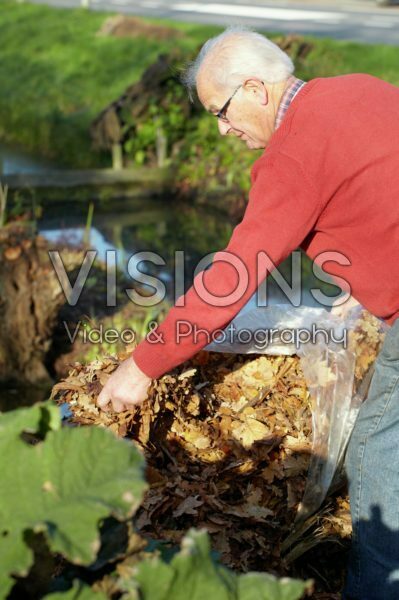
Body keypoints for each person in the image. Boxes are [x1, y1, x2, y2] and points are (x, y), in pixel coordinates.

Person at [97, 28, 399, 598]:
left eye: (221, 110)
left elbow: (228, 281)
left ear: (256, 89)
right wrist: (368, 272)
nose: (222, 128)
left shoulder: (292, 155)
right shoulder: (358, 89)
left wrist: (141, 367)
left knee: (378, 447)